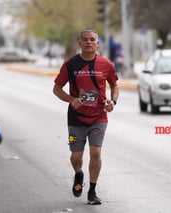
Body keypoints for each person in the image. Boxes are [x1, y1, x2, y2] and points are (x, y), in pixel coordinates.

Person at [53, 28, 119, 205]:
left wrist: (112, 101)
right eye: (85, 40)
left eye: (92, 40)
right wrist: (71, 99)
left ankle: (92, 191)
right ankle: (78, 173)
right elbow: (57, 89)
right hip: (76, 118)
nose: (89, 42)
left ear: (97, 43)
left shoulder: (106, 65)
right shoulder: (70, 64)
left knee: (96, 152)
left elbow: (115, 85)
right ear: (80, 43)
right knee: (76, 157)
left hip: (99, 117)